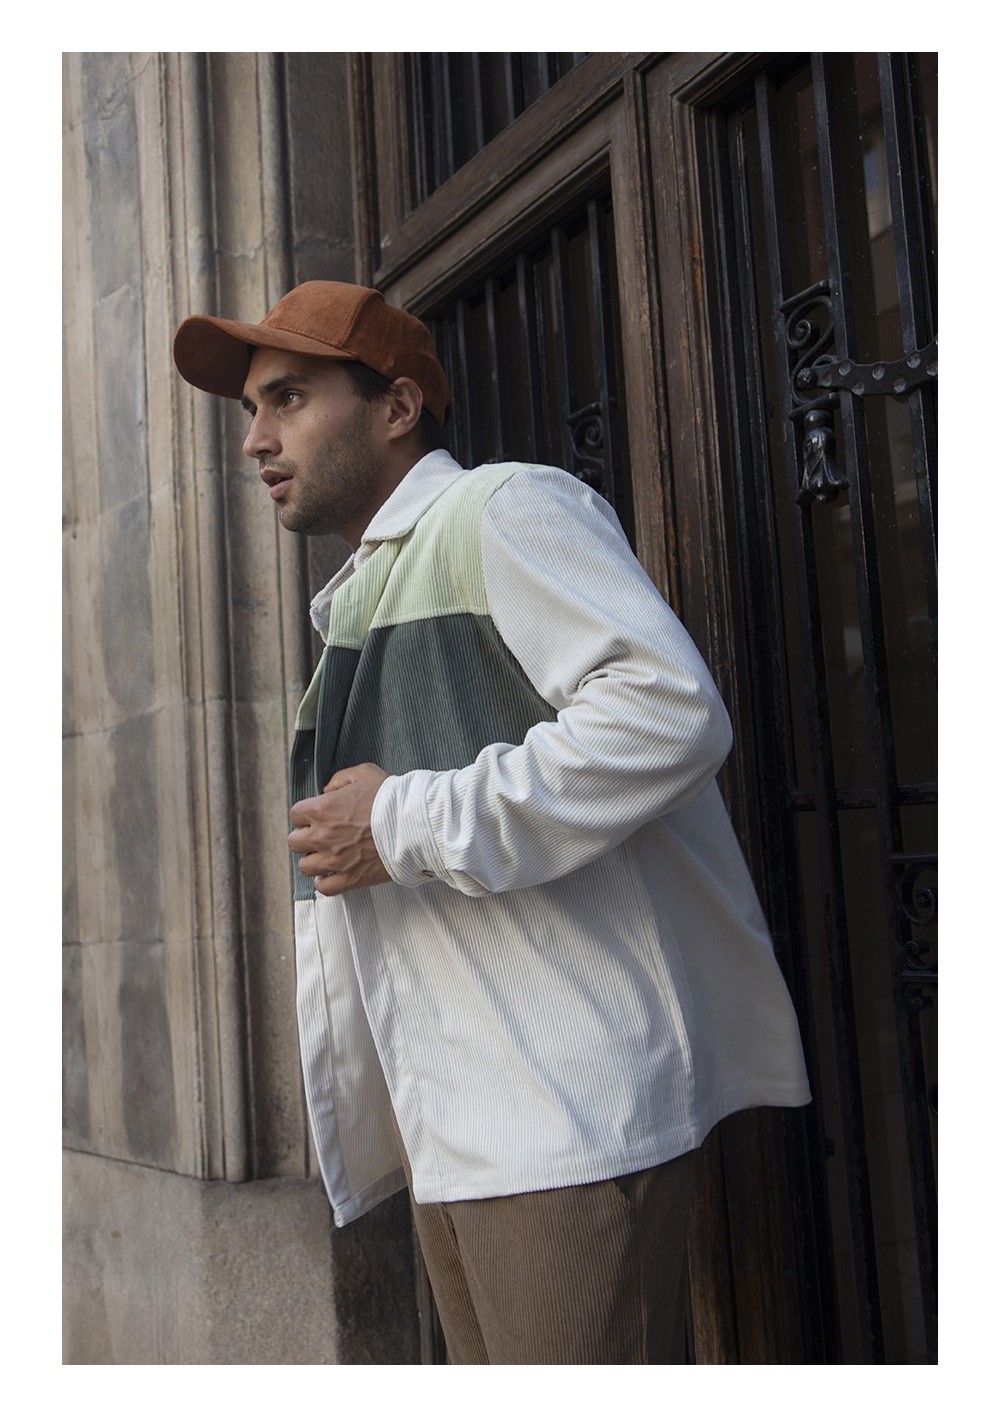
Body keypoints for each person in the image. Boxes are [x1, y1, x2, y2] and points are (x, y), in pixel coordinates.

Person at [173, 280, 811, 1365]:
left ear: (397, 407)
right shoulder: (363, 595)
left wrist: (402, 821)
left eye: (288, 397)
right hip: (462, 1123)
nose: (255, 440)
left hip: (560, 1117)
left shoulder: (502, 509)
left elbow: (669, 713)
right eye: (250, 409)